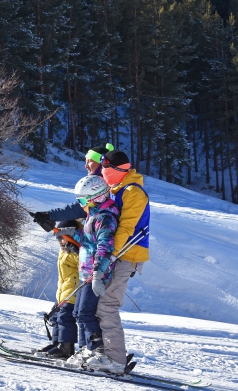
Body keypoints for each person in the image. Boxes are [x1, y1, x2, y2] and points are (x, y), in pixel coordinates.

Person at [84, 150, 150, 374]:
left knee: (107, 305)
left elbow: (125, 228)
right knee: (98, 304)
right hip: (116, 254)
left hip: (126, 254)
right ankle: (102, 352)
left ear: (118, 170)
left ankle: (115, 359)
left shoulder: (133, 192)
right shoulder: (116, 189)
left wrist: (110, 255)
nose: (102, 172)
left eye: (106, 169)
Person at [62, 175, 119, 369]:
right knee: (78, 312)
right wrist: (69, 233)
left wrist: (97, 274)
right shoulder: (94, 215)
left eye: (84, 200)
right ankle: (86, 348)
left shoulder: (105, 217)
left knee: (85, 312)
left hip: (95, 274)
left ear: (98, 196)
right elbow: (89, 240)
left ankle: (98, 349)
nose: (81, 204)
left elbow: (105, 246)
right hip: (86, 273)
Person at [31, 144, 114, 228]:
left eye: (90, 161)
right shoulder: (94, 182)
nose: (86, 166)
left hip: (106, 227)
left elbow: (79, 209)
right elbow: (80, 207)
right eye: (86, 161)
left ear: (101, 163)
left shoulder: (111, 184)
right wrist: (49, 215)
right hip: (95, 220)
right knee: (65, 225)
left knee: (68, 226)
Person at [39, 220, 82, 359]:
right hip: (63, 292)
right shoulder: (64, 250)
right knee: (56, 317)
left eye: (61, 237)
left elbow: (85, 264)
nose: (59, 240)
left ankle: (66, 347)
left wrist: (77, 251)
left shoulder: (77, 250)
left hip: (73, 292)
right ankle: (57, 343)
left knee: (65, 318)